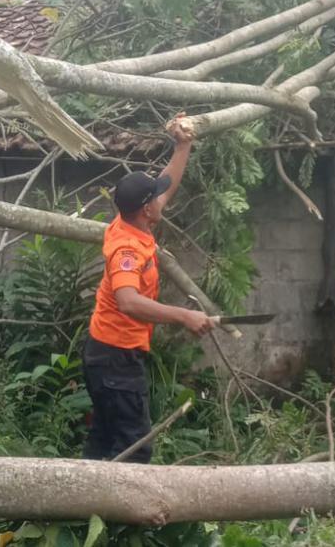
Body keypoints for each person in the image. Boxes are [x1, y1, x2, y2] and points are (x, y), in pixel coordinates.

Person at [82, 112, 215, 463]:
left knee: (105, 439)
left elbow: (166, 183)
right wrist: (184, 315)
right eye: (155, 197)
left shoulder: (130, 221)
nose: (162, 196)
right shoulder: (126, 248)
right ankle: (124, 516)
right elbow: (127, 301)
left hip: (106, 353)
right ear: (146, 210)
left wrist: (183, 144)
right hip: (115, 359)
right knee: (134, 448)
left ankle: (85, 509)